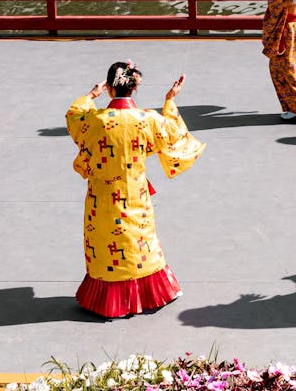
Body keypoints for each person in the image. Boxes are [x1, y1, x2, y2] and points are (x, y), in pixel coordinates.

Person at [66, 61, 205, 318]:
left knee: (105, 241)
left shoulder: (93, 121)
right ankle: (148, 293)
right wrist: (170, 99)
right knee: (141, 242)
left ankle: (108, 299)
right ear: (134, 87)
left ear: (108, 88)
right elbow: (173, 132)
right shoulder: (146, 120)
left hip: (102, 196)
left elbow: (73, 115)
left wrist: (90, 96)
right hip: (135, 192)